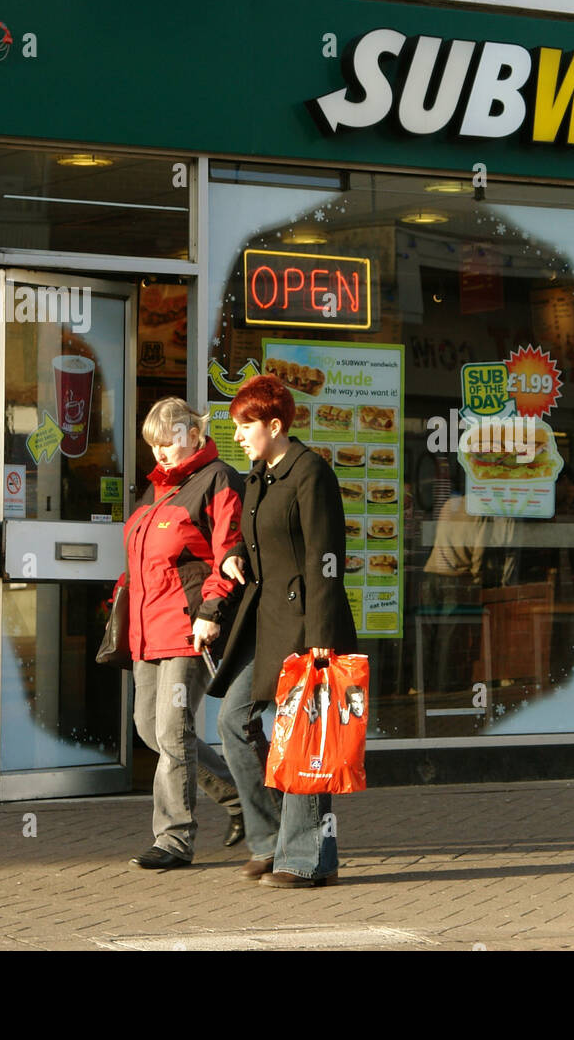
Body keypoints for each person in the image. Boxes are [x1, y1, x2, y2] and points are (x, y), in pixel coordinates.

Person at [207, 374, 357, 887]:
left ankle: (311, 858)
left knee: (305, 739)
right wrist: (230, 559)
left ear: (275, 424)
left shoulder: (310, 472)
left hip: (304, 627)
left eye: (246, 425)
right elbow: (252, 542)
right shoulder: (257, 476)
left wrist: (322, 635)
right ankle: (271, 841)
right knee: (232, 721)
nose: (239, 436)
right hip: (262, 624)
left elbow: (325, 558)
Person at [119, 398, 244, 869]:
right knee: (149, 730)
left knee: (173, 731)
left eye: (168, 440)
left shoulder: (217, 481)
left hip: (188, 629)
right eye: (154, 444)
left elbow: (231, 553)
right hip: (146, 633)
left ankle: (173, 838)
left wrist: (211, 611)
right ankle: (241, 798)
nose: (161, 453)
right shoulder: (157, 493)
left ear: (193, 433)